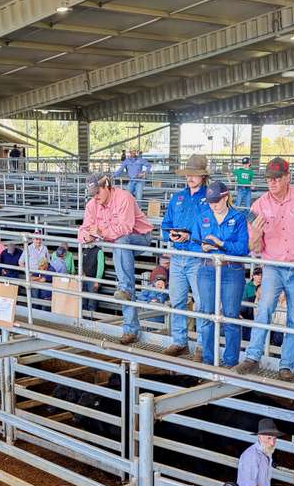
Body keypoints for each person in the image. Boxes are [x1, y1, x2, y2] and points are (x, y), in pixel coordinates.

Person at [238, 157, 294, 380]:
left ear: (287, 178)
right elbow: (253, 247)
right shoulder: (259, 205)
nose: (272, 182)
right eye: (269, 179)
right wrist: (255, 233)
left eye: (276, 178)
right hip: (273, 264)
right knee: (264, 308)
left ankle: (286, 365)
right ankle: (252, 357)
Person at [78, 173, 153, 345]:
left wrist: (101, 232)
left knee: (120, 243)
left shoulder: (123, 198)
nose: (95, 197)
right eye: (92, 194)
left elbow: (124, 229)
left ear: (107, 187)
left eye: (98, 192)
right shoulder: (92, 205)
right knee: (120, 248)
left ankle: (126, 295)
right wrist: (87, 236)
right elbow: (82, 230)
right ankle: (127, 302)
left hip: (140, 237)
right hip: (118, 243)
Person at [193, 181, 250, 367]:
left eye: (216, 201)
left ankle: (231, 360)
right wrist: (201, 246)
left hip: (231, 269)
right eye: (211, 202)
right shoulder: (202, 217)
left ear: (226, 197)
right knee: (207, 314)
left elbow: (243, 248)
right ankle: (209, 359)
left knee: (231, 315)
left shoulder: (239, 217)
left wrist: (220, 243)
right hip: (207, 267)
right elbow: (194, 242)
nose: (214, 205)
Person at [162, 155, 211, 358]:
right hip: (178, 256)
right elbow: (166, 224)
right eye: (188, 174)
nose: (190, 177)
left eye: (194, 174)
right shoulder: (177, 197)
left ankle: (202, 345)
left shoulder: (210, 197)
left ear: (203, 176)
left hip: (198, 256)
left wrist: (191, 236)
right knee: (177, 300)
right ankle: (179, 340)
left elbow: (211, 226)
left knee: (201, 303)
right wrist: (171, 234)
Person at [19, 233, 52, 304]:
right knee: (35, 297)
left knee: (43, 297)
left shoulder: (45, 248)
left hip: (43, 275)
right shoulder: (28, 248)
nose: (38, 241)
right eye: (36, 239)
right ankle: (34, 313)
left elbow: (48, 262)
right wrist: (27, 273)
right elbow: (21, 262)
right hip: (33, 276)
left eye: (40, 239)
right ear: (33, 240)